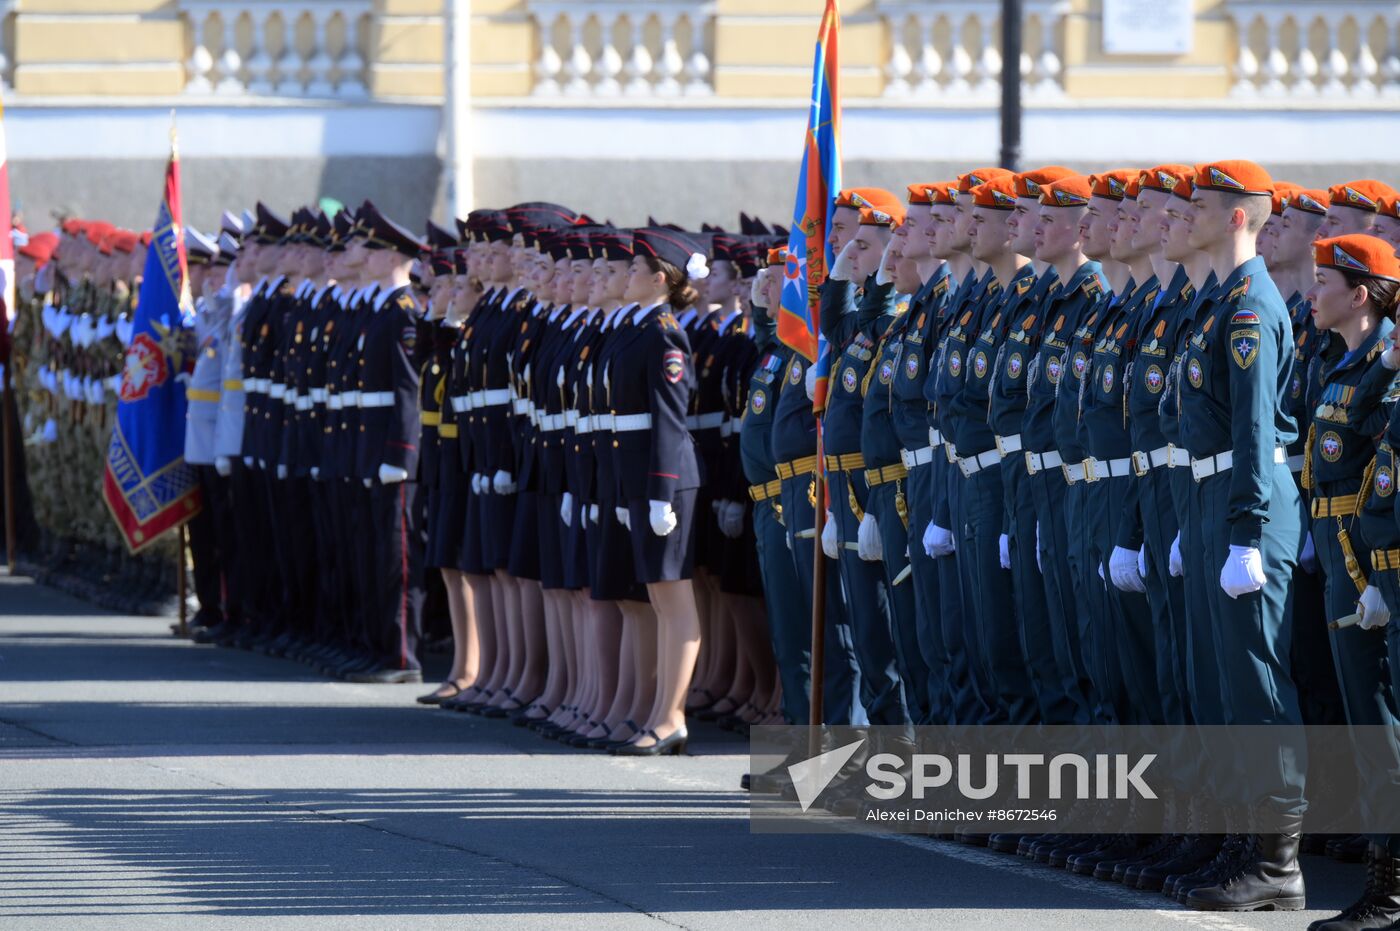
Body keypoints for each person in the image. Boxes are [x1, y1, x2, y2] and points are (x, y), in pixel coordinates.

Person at [1175, 159, 1306, 912]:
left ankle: (1277, 862)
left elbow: (1256, 430)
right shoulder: (1218, 302)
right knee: (1224, 682)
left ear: (1234, 216)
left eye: (1200, 205)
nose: (1186, 215)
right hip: (1211, 496)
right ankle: (1241, 840)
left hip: (1243, 498)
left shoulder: (1251, 305)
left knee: (1257, 684)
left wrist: (1247, 531)